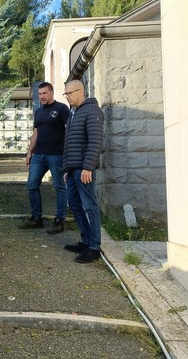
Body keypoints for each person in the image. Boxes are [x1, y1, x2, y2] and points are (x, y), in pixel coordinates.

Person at [62, 80, 104, 263]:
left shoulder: (92, 111)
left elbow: (95, 142)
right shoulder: (73, 113)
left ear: (81, 91)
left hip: (83, 169)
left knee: (90, 207)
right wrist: (66, 168)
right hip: (72, 170)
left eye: (69, 93)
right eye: (66, 94)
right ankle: (85, 240)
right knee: (75, 205)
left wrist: (88, 167)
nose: (67, 97)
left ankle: (94, 247)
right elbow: (69, 144)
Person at [20, 82, 70, 234]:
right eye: (39, 94)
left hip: (56, 156)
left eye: (44, 93)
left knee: (59, 187)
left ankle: (59, 220)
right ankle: (36, 219)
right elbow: (36, 133)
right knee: (32, 185)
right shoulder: (38, 112)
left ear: (51, 93)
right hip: (39, 156)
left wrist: (68, 154)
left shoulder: (62, 109)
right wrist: (30, 152)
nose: (41, 96)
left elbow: (69, 131)